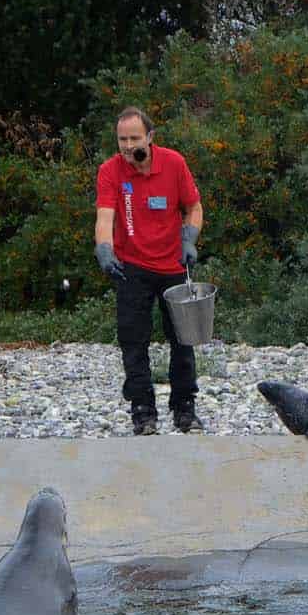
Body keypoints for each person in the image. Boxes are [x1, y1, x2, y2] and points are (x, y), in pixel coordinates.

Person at [94, 106, 205, 435]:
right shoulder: (111, 171)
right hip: (133, 268)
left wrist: (190, 239)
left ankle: (185, 408)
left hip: (173, 265)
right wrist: (104, 249)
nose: (128, 146)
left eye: (134, 138)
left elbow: (194, 207)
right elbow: (104, 216)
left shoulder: (173, 163)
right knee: (133, 341)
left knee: (182, 340)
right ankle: (143, 410)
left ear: (150, 137)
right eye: (122, 139)